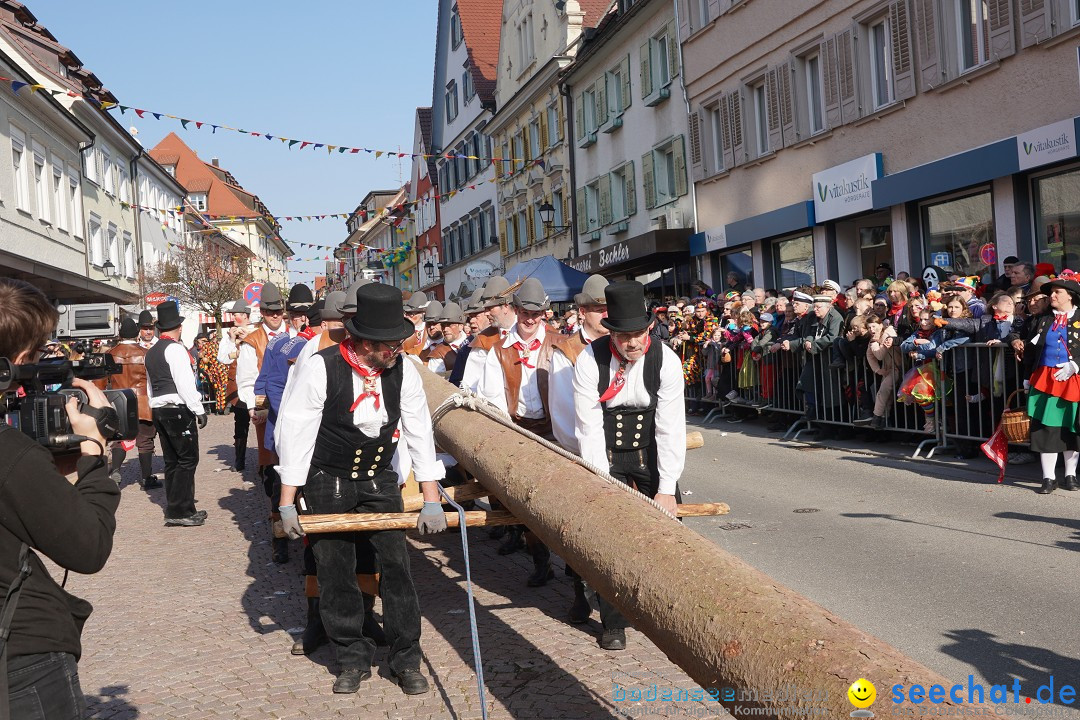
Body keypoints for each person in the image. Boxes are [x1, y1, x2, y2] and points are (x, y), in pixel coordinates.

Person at [275, 283, 447, 695]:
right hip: (326, 480)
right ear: (363, 340)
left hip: (377, 477)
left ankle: (407, 659)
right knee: (336, 574)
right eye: (387, 343)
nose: (395, 349)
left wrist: (431, 498)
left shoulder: (402, 369)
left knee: (396, 569)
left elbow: (420, 431)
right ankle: (351, 658)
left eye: (397, 341)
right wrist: (287, 503)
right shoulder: (320, 367)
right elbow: (295, 435)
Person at [0, 279, 120, 720]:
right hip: (21, 661)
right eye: (35, 355)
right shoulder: (9, 452)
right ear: (14, 362)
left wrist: (43, 469)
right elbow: (86, 547)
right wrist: (92, 454)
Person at [571, 280, 686, 650]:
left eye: (638, 333)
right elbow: (587, 427)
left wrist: (666, 488)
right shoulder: (590, 359)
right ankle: (613, 621)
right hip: (605, 454)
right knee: (608, 539)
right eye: (623, 336)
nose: (632, 342)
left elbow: (670, 426)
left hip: (649, 452)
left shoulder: (666, 360)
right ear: (611, 331)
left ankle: (670, 611)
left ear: (649, 327)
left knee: (672, 535)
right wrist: (600, 483)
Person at [477, 278, 561, 583]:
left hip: (556, 432)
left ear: (544, 314)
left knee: (565, 505)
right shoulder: (498, 351)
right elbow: (493, 400)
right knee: (525, 504)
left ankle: (578, 585)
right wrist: (509, 436)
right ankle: (542, 563)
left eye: (536, 313)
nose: (530, 319)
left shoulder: (559, 343)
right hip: (519, 431)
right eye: (525, 312)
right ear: (516, 310)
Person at [145, 301, 208, 526]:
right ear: (179, 327)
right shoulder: (175, 349)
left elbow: (150, 386)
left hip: (159, 408)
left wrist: (154, 406)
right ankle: (181, 510)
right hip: (177, 408)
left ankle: (177, 507)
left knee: (172, 460)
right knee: (187, 460)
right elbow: (185, 384)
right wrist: (198, 409)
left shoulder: (151, 352)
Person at [1022, 274, 1080, 494]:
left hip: (1073, 379)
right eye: (1052, 292)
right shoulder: (1042, 319)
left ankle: (1070, 475)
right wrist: (1027, 376)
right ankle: (1048, 478)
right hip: (1045, 379)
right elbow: (1030, 349)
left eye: (1057, 292)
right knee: (1046, 429)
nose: (1052, 296)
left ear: (1071, 296)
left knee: (1071, 428)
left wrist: (1076, 365)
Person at [105, 317, 161, 489]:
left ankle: (115, 470)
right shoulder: (146, 353)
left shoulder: (110, 354)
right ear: (137, 333)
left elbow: (100, 382)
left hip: (119, 402)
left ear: (120, 334)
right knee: (145, 440)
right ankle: (146, 478)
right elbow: (154, 379)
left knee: (118, 440)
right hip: (143, 402)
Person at [460, 276, 517, 392]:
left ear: (505, 306)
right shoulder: (483, 340)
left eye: (489, 308)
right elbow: (470, 386)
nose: (486, 313)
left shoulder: (533, 330)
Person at [217, 300, 254, 472]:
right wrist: (232, 340)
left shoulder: (256, 332)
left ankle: (267, 460)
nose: (233, 317)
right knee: (240, 423)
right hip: (238, 386)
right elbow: (223, 358)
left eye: (236, 314)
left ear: (245, 316)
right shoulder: (228, 335)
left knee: (265, 421)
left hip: (255, 383)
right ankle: (239, 459)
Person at [425, 302, 469, 375]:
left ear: (461, 326)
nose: (445, 329)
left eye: (450, 325)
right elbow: (435, 382)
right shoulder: (437, 353)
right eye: (443, 325)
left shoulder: (473, 342)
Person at [400, 291, 431, 357]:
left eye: (411, 314)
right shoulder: (402, 330)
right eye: (406, 313)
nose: (406, 316)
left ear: (422, 313)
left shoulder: (430, 329)